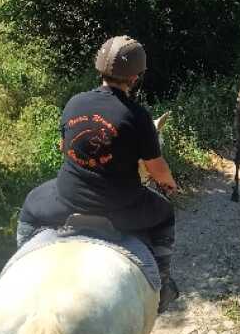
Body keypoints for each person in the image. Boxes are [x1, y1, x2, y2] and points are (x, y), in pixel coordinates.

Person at [15, 36, 180, 313]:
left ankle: (19, 267)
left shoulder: (74, 103)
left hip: (64, 199)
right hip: (120, 207)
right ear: (135, 76)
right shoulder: (138, 116)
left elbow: (63, 146)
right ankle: (162, 287)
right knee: (165, 215)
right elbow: (155, 167)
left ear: (99, 68)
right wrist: (168, 183)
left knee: (30, 208)